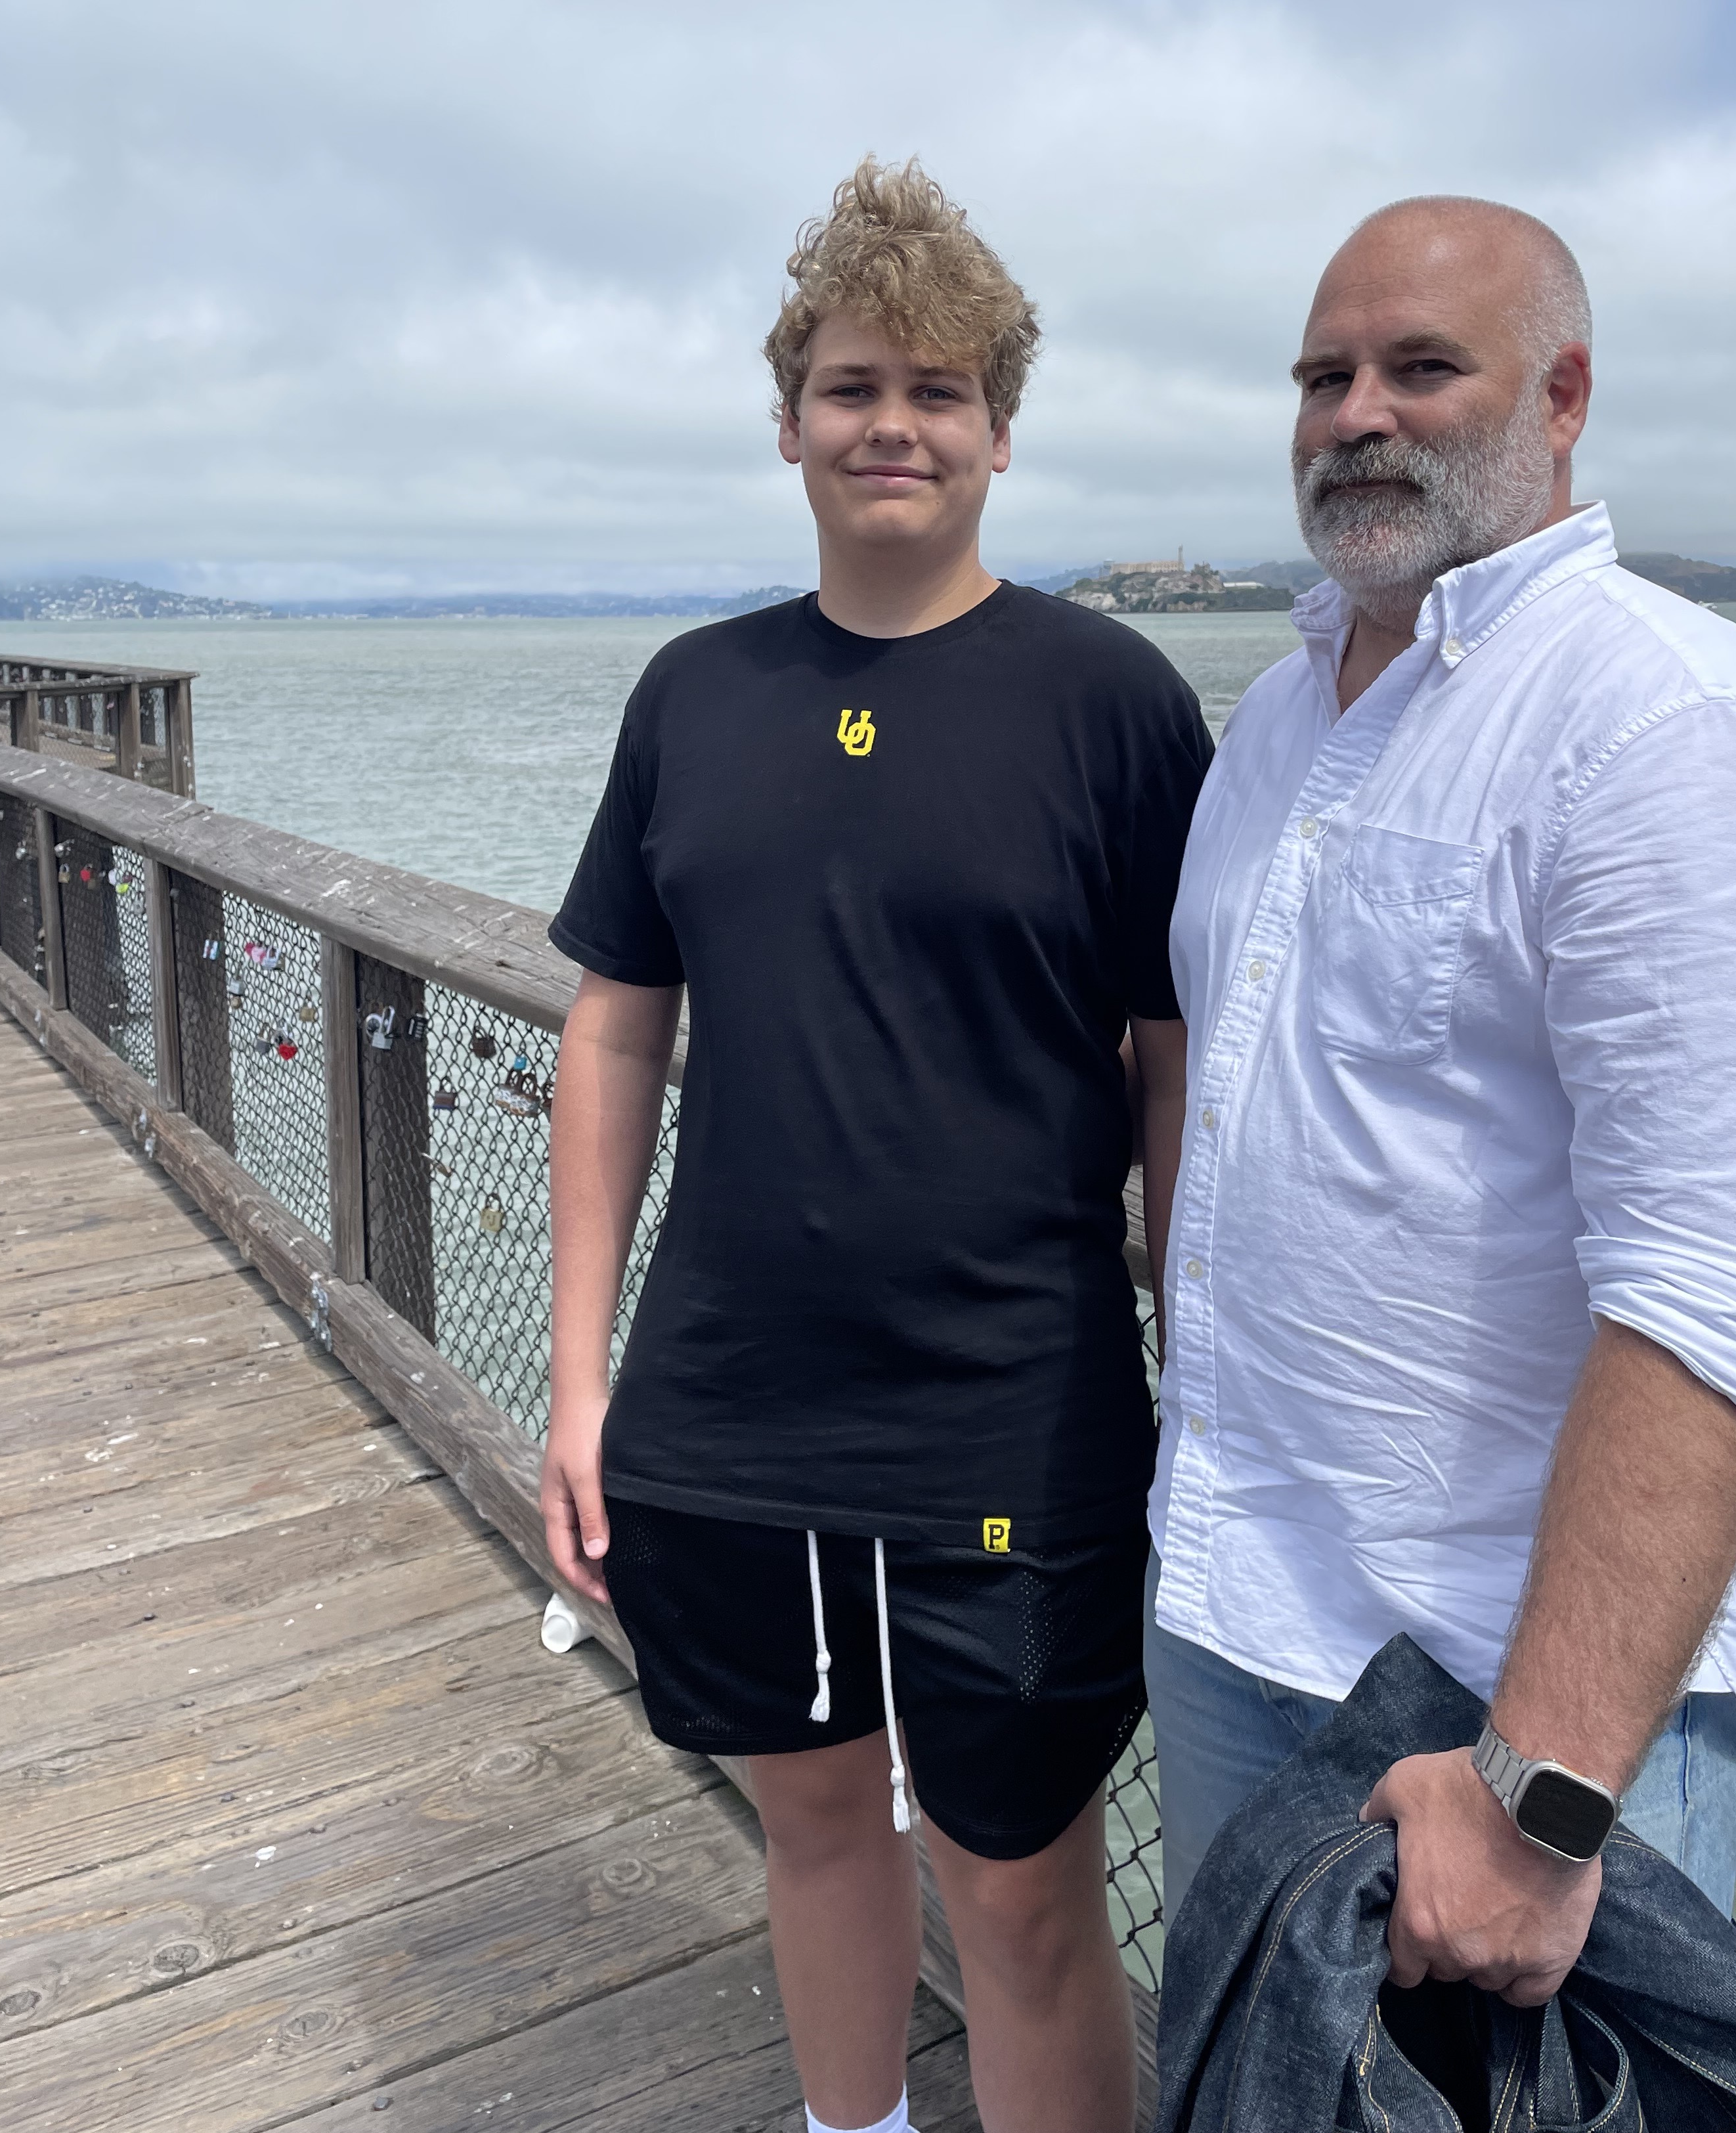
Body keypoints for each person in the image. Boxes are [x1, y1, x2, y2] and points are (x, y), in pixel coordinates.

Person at [1144, 195, 1736, 2007]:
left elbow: (1713, 1297)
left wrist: (1538, 1797)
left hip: (1499, 1694)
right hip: (1235, 1609)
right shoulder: (1271, 725)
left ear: (1563, 397)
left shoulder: (1672, 726)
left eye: (1421, 367)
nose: (1355, 414)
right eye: (1324, 376)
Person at [540, 158, 1212, 2133]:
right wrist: (577, 1387)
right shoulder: (695, 694)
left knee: (1017, 1892)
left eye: (936, 389)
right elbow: (614, 1028)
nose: (891, 425)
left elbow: (1178, 1065)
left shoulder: (1113, 705)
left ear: (1001, 429)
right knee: (815, 1828)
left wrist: (1209, 1368)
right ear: (788, 425)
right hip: (730, 1410)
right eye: (851, 387)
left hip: (1016, 1410)